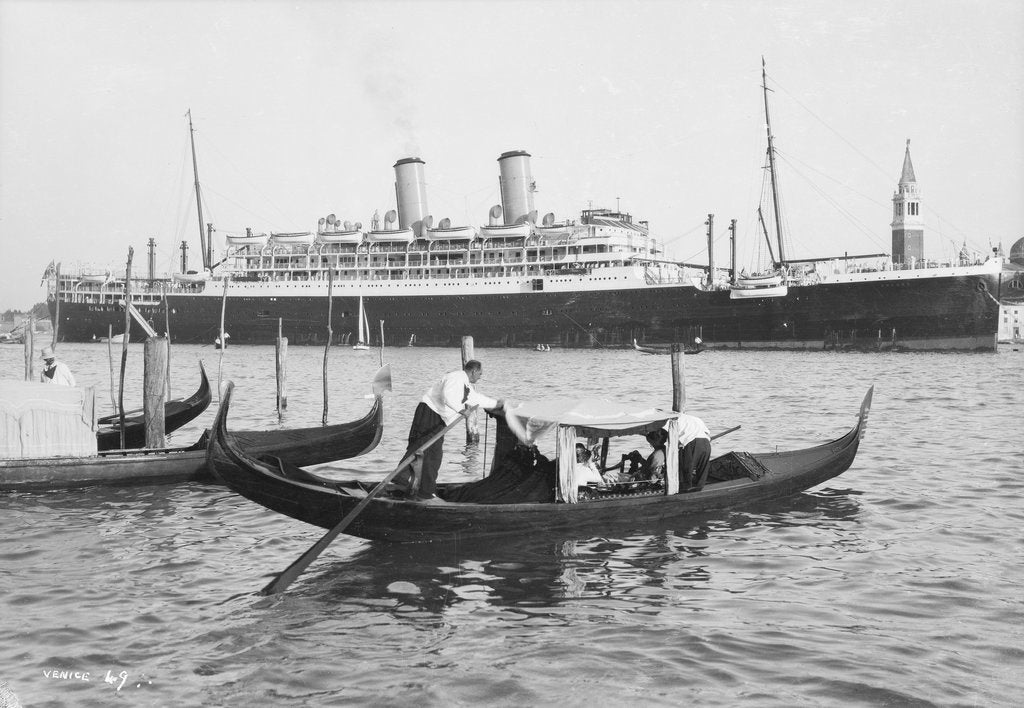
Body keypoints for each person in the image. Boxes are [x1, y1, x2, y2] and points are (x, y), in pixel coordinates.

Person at [392, 360, 503, 501]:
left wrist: (496, 403)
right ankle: (403, 477)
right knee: (423, 447)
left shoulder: (466, 386)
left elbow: (477, 399)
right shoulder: (456, 377)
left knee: (434, 455)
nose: (480, 377)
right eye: (480, 373)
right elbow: (447, 395)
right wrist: (461, 409)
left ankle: (425, 491)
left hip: (439, 419)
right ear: (474, 371)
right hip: (429, 412)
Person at [677, 413, 711, 490]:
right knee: (703, 467)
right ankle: (699, 487)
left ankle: (685, 488)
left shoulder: (674, 420)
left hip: (692, 442)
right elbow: (707, 433)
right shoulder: (696, 418)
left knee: (686, 467)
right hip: (706, 442)